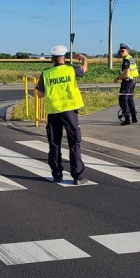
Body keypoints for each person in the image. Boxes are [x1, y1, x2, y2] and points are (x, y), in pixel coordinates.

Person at [35, 45, 88, 185]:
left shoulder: (46, 74)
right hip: (70, 112)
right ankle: (78, 176)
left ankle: (57, 174)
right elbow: (84, 69)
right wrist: (83, 58)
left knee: (54, 143)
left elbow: (39, 95)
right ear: (64, 57)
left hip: (53, 113)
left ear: (52, 59)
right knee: (74, 142)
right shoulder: (71, 69)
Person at [114, 43, 138, 125]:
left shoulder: (126, 60)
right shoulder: (131, 58)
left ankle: (127, 118)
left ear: (127, 51)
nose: (121, 52)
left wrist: (118, 78)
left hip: (127, 82)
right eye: (120, 51)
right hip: (133, 81)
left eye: (122, 51)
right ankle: (134, 117)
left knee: (123, 100)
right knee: (130, 99)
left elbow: (126, 73)